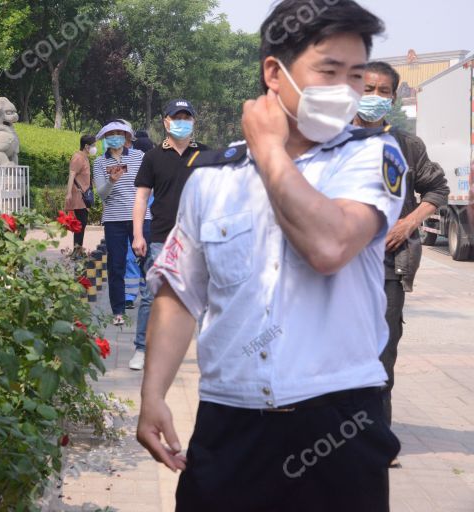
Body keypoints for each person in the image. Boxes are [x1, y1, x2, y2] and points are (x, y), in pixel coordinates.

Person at [136, 1, 406, 510]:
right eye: (328, 71)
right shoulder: (213, 176)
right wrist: (153, 394)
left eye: (355, 75)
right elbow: (178, 292)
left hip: (340, 424)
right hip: (230, 420)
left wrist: (270, 153)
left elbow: (329, 246)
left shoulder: (372, 156)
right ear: (274, 73)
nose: (345, 91)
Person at [353, 61, 449, 443]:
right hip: (335, 269)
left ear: (393, 98)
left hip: (387, 267)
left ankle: (375, 439)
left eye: (382, 92)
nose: (374, 98)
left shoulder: (408, 146)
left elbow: (437, 190)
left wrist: (410, 223)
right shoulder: (327, 141)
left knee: (382, 354)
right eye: (367, 89)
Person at [128, 99, 209, 371]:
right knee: (152, 295)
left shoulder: (206, 155)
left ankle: (209, 352)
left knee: (205, 297)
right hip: (162, 236)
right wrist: (138, 234)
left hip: (199, 238)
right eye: (177, 117)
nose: (182, 122)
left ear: (194, 122)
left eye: (187, 117)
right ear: (166, 121)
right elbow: (141, 198)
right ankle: (141, 348)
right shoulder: (152, 157)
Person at [92, 121, 151, 326]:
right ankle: (118, 312)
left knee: (147, 263)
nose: (115, 137)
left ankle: (153, 309)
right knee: (116, 266)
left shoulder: (139, 157)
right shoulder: (100, 162)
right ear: (105, 138)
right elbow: (101, 194)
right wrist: (111, 181)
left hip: (141, 218)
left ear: (127, 137)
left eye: (119, 133)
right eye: (111, 134)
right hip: (114, 220)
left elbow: (148, 185)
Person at [64, 134, 96, 248]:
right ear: (86, 146)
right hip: (78, 196)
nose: (94, 148)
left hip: (83, 196)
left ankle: (78, 250)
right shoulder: (78, 157)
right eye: (93, 145)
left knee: (82, 224)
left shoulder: (85, 157)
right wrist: (68, 193)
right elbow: (72, 174)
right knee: (80, 225)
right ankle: (77, 251)